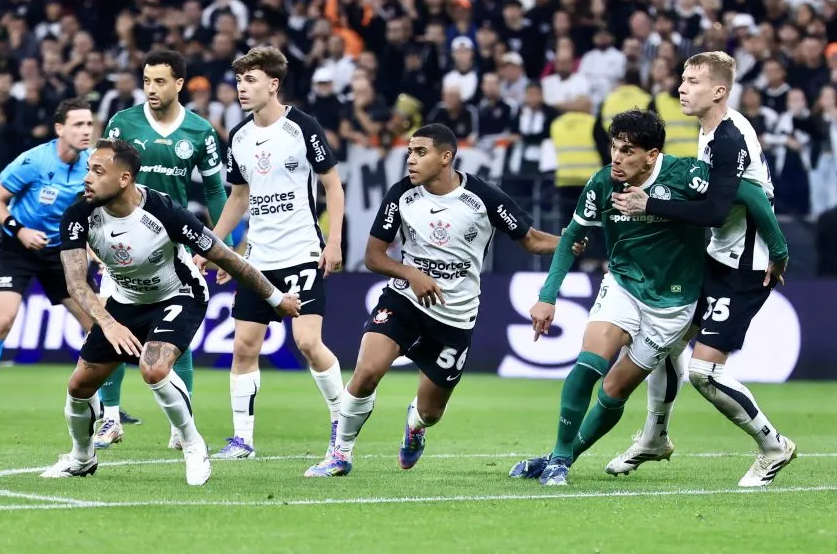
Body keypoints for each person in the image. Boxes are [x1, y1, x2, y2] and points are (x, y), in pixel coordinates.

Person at [509, 109, 787, 486]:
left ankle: (567, 458)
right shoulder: (602, 183)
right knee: (588, 365)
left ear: (652, 155)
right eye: (614, 148)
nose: (617, 158)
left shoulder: (685, 175)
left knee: (615, 389)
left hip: (673, 305)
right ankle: (558, 458)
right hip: (623, 285)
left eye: (627, 151)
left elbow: (750, 193)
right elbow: (572, 238)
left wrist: (778, 250)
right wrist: (547, 296)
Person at [303, 123, 571, 477]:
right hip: (404, 302)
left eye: (420, 152)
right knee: (366, 371)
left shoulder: (483, 197)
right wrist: (412, 275)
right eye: (409, 153)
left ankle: (414, 425)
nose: (411, 160)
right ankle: (339, 454)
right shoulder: (402, 195)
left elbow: (531, 240)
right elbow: (373, 256)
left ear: (446, 157)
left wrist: (568, 240)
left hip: (454, 317)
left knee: (432, 412)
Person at [41, 139, 300, 484]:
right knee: (79, 385)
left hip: (178, 295)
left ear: (124, 179)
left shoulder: (164, 212)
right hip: (122, 303)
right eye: (88, 168)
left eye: (98, 170)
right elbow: (76, 283)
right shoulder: (78, 215)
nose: (87, 177)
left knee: (154, 367)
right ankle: (81, 457)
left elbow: (225, 257)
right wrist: (108, 323)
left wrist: (275, 298)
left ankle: (193, 444)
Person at [607, 52, 797, 487]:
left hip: (745, 267)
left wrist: (649, 203)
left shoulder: (729, 138)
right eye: (682, 79)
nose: (681, 88)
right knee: (664, 341)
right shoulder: (710, 131)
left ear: (718, 91)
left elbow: (721, 207)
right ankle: (655, 438)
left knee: (704, 372)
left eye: (692, 81)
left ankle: (773, 446)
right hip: (718, 256)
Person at [202, 47, 346, 460]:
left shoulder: (303, 127)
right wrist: (216, 248)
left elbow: (332, 186)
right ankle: (242, 440)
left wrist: (333, 240)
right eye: (239, 80)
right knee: (244, 347)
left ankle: (342, 423)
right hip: (258, 260)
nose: (241, 88)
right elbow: (239, 198)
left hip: (302, 251)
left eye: (250, 80)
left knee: (306, 342)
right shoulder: (240, 137)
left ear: (273, 84)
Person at [92, 50, 228, 451]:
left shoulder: (200, 132)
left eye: (160, 81)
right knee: (111, 323)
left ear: (179, 84)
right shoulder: (123, 123)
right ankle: (111, 419)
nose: (151, 88)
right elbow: (100, 175)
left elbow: (216, 191)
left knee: (175, 332)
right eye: (147, 80)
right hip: (121, 240)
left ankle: (179, 422)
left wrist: (222, 246)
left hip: (176, 242)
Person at [0, 98, 95, 423]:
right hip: (18, 247)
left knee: (98, 323)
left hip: (61, 252)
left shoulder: (93, 163)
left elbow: (95, 212)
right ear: (59, 129)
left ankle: (108, 408)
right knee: (3, 319)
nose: (86, 130)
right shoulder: (34, 161)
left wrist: (90, 249)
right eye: (78, 124)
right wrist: (19, 231)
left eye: (90, 124)